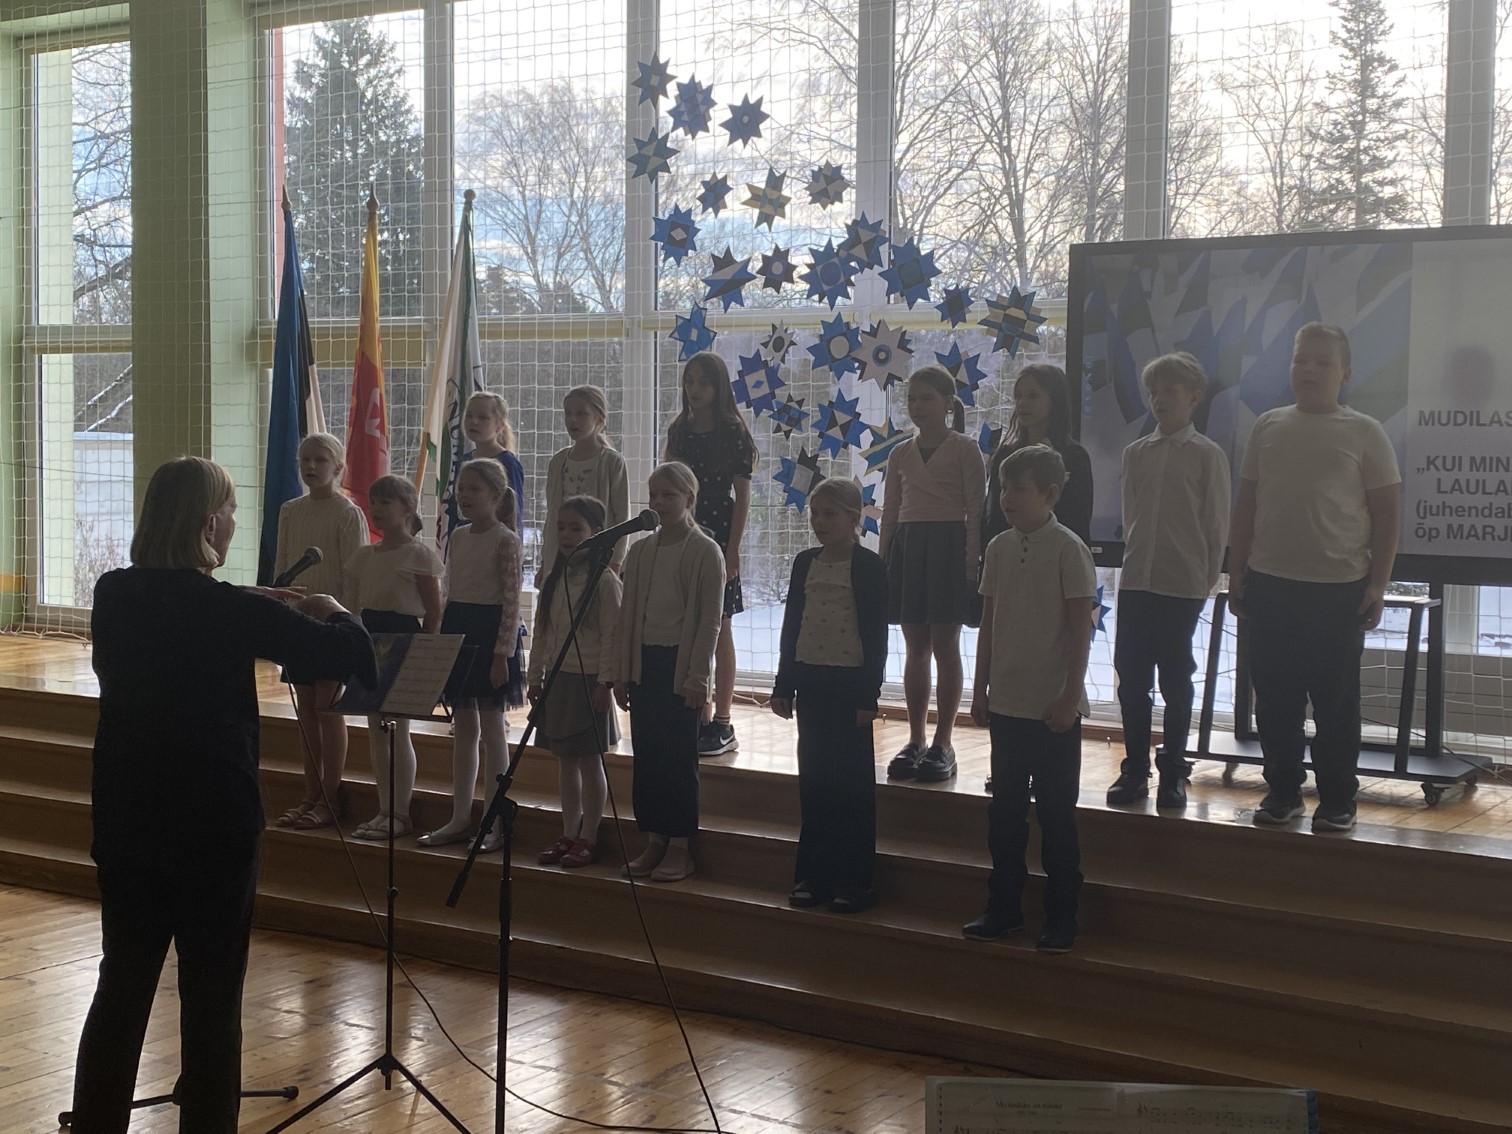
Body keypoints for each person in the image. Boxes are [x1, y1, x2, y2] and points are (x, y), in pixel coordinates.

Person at [72, 455, 374, 1134]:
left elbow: (176, 617)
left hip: (127, 817)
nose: (236, 522)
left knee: (122, 986)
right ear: (210, 524)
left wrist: (245, 603)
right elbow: (342, 654)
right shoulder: (231, 609)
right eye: (232, 511)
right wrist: (334, 610)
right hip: (213, 824)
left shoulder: (113, 593)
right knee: (211, 998)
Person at [1229, 322, 1401, 833]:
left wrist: (1379, 584)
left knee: (1335, 703)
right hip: (1270, 584)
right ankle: (1283, 793)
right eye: (1301, 359)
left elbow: (1387, 514)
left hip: (1339, 590)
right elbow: (1247, 506)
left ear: (1344, 373)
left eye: (1322, 362)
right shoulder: (1268, 426)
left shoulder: (1365, 432)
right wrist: (1236, 572)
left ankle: (1338, 799)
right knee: (1275, 700)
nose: (1308, 369)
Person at [967, 445, 1096, 954]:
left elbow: (1081, 631)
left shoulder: (1069, 549)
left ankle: (1062, 916)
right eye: (1003, 488)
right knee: (1005, 815)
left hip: (1053, 710)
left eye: (1019, 489)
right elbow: (988, 623)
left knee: (1057, 817)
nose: (1007, 498)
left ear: (1050, 494)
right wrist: (980, 687)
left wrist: (1069, 696)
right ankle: (1003, 908)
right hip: (1008, 704)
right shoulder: (999, 547)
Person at [1106, 353, 1231, 810]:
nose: (1159, 400)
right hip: (1138, 579)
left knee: (1176, 680)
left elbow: (1216, 524)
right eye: (1153, 392)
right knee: (1131, 678)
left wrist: (1204, 581)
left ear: (1193, 397)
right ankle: (1135, 769)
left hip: (1182, 584)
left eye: (1170, 391)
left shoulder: (1207, 455)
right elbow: (1131, 517)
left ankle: (1174, 770)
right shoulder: (1136, 453)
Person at [770, 478, 888, 914]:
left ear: (854, 519)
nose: (819, 522)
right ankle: (812, 874)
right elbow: (792, 625)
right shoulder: (805, 562)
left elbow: (875, 634)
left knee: (851, 784)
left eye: (830, 514)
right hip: (812, 682)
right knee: (815, 779)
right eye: (815, 513)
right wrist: (783, 684)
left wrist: (868, 695)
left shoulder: (869, 566)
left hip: (849, 685)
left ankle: (854, 879)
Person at [606, 462, 725, 883]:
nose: (658, 502)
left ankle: (680, 847)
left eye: (669, 496)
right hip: (646, 664)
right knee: (649, 758)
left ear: (689, 500)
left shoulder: (705, 551)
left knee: (677, 760)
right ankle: (655, 839)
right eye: (654, 495)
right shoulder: (640, 551)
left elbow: (709, 622)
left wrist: (698, 679)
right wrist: (622, 672)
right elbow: (627, 618)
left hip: (681, 666)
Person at [877, 364, 986, 783]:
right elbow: (890, 513)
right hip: (910, 550)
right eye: (912, 399)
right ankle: (916, 739)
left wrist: (970, 566)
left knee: (945, 645)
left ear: (947, 403)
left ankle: (944, 741)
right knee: (916, 646)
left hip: (948, 551)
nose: (917, 406)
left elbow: (975, 512)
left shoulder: (965, 449)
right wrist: (885, 563)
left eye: (926, 398)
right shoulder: (900, 454)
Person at [419, 459, 524, 851]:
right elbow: (449, 591)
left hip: (490, 632)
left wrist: (501, 654)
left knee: (493, 731)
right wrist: (441, 643)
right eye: (461, 488)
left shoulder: (505, 539)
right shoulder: (459, 536)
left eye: (474, 489)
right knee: (463, 730)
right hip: (459, 629)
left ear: (495, 496)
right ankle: (460, 817)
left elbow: (511, 602)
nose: (464, 495)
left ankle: (493, 822)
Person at [272, 431, 369, 830]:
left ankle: (330, 799)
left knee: (328, 710)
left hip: (332, 626)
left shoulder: (347, 513)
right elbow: (282, 566)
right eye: (305, 460)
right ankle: (309, 793)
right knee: (307, 711)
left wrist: (348, 624)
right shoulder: (290, 510)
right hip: (299, 623)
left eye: (320, 460)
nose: (311, 467)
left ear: (338, 467)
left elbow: (355, 576)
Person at [664, 351, 756, 758]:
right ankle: (695, 711)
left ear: (719, 387)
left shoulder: (733, 431)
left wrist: (732, 549)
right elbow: (668, 483)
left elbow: (742, 495)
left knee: (720, 626)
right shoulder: (679, 430)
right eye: (689, 381)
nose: (694, 389)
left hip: (718, 532)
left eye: (703, 382)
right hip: (684, 530)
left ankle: (722, 720)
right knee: (686, 622)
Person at [346, 474, 444, 841]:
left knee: (399, 729)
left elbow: (433, 610)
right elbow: (357, 605)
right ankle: (383, 809)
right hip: (372, 639)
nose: (376, 509)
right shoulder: (364, 555)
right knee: (376, 729)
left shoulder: (418, 554)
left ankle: (400, 812)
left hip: (403, 639)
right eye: (374, 502)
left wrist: (425, 653)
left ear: (406, 509)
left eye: (386, 502)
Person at [529, 495, 624, 868]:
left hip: (588, 682)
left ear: (597, 533)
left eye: (576, 528)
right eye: (561, 528)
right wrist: (535, 676)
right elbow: (542, 631)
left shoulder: (605, 581)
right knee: (565, 762)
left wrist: (605, 682)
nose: (567, 535)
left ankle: (590, 836)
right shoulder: (555, 579)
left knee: (588, 761)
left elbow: (613, 636)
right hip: (557, 678)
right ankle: (569, 831)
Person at [983, 363, 1093, 545]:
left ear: (1054, 401)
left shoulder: (1074, 456)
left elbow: (1077, 522)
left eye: (1033, 395)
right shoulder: (1006, 453)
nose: (1022, 403)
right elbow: (993, 517)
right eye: (1018, 396)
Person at [538, 386, 629, 584]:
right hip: (561, 553)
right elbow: (552, 515)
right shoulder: (558, 461)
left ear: (599, 418)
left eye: (581, 413)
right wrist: (545, 560)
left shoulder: (612, 461)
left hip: (597, 555)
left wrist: (616, 562)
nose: (572, 419)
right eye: (568, 413)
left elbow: (622, 517)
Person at [463, 390, 526, 531]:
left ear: (499, 426)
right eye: (469, 415)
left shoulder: (508, 463)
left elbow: (515, 512)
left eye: (483, 417)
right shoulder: (464, 461)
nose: (474, 421)